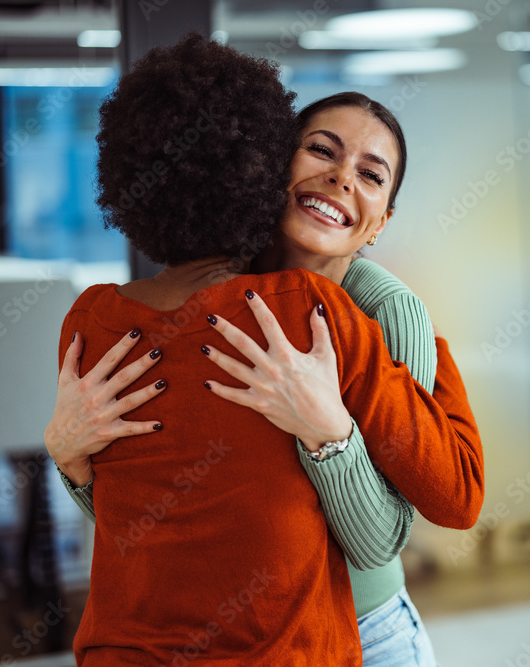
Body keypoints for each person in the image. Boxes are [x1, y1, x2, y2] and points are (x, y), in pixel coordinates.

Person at [45, 33, 483, 665]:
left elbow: (389, 535)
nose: (340, 177)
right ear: (271, 164)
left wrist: (326, 429)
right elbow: (145, 513)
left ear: (382, 221)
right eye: (321, 151)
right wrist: (68, 456)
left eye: (370, 174)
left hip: (368, 624)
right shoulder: (274, 302)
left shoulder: (382, 310)